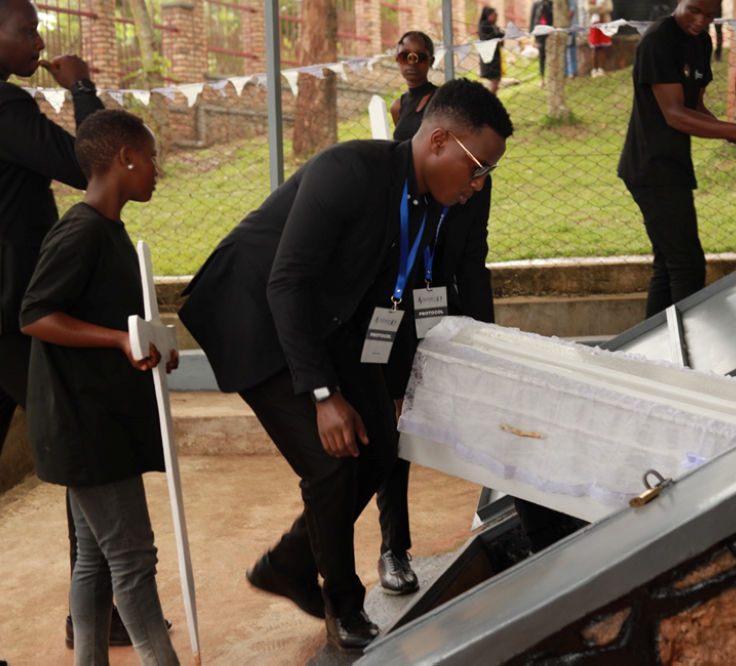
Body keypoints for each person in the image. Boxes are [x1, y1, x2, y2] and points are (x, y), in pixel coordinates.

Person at [178, 78, 513, 651]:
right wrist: (323, 395)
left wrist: (389, 381)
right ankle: (342, 600)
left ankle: (288, 561)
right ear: (437, 141)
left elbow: (389, 299)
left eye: (487, 173)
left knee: (382, 444)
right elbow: (287, 283)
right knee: (331, 461)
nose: (478, 183)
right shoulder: (349, 171)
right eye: (476, 165)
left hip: (331, 321)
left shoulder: (424, 200)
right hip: (257, 314)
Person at [0, 0, 152, 651]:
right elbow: (91, 166)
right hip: (23, 315)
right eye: (26, 28)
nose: (39, 38)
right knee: (80, 443)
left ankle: (93, 610)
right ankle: (97, 610)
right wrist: (81, 89)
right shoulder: (4, 108)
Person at [19, 108, 180, 666]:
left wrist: (150, 344)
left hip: (96, 422)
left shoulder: (108, 231)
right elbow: (35, 314)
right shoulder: (80, 231)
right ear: (125, 158)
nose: (157, 169)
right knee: (133, 558)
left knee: (94, 557)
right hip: (84, 429)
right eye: (151, 157)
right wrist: (116, 341)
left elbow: (118, 323)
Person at [378, 34, 498, 597]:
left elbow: (473, 258)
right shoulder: (393, 179)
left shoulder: (477, 180)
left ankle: (503, 512)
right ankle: (393, 546)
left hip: (435, 305)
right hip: (386, 310)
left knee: (475, 404)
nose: (474, 180)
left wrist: (486, 337)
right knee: (390, 420)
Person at [619, 0, 736, 318]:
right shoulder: (658, 39)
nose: (701, 21)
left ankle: (654, 352)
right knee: (687, 267)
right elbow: (675, 114)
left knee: (669, 265)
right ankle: (690, 354)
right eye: (694, 10)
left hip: (674, 166)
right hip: (650, 168)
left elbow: (695, 107)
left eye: (709, 15)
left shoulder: (702, 40)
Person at [390, 31, 436, 139]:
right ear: (397, 60)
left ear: (431, 61)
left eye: (420, 56)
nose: (412, 62)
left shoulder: (441, 99)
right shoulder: (397, 107)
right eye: (405, 56)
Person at [479, 7, 505, 93]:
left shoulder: (494, 26)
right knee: (494, 79)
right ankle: (489, 98)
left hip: (496, 56)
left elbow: (500, 42)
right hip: (489, 57)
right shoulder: (484, 25)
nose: (496, 18)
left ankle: (489, 98)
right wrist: (499, 35)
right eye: (494, 15)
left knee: (496, 79)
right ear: (488, 15)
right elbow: (487, 39)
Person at [531, 0, 553, 85]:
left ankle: (551, 77)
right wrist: (532, 35)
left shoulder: (550, 4)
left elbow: (552, 18)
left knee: (551, 56)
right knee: (542, 56)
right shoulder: (536, 4)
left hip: (549, 33)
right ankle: (542, 79)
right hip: (539, 34)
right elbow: (532, 19)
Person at [588, 0, 613, 76]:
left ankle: (601, 69)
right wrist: (601, 8)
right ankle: (594, 70)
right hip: (593, 25)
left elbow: (609, 8)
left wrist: (595, 8)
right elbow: (588, 8)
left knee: (603, 48)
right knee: (595, 48)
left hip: (604, 23)